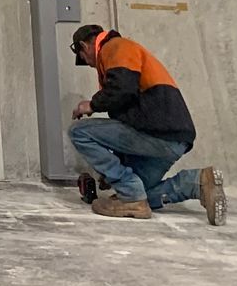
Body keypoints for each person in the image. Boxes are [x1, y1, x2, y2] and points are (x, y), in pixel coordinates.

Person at [68, 24, 224, 224]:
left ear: (84, 46)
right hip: (173, 140)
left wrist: (90, 105)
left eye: (85, 59)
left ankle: (131, 196)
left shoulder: (116, 46)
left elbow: (122, 90)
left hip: (157, 133)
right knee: (140, 193)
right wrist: (117, 169)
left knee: (79, 132)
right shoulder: (125, 51)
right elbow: (130, 118)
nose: (89, 65)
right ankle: (197, 182)